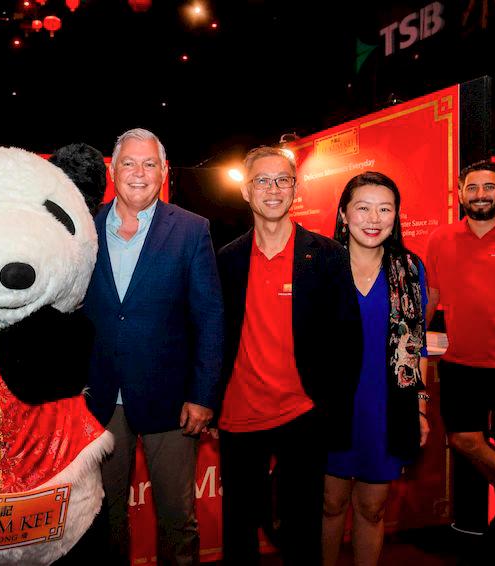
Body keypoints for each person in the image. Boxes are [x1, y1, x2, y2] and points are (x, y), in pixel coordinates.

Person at [82, 128, 224, 565]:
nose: (138, 173)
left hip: (170, 401)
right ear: (113, 170)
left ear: (163, 172)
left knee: (177, 518)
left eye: (149, 164)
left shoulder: (191, 229)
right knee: (103, 518)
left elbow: (210, 318)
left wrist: (202, 396)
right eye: (129, 163)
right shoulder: (82, 226)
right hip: (99, 399)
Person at [216, 146, 363, 566]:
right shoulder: (226, 259)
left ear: (295, 188)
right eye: (262, 180)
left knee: (302, 532)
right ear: (246, 191)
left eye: (282, 179)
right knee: (239, 531)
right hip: (238, 414)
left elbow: (347, 340)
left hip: (304, 414)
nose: (273, 189)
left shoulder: (329, 256)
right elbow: (213, 336)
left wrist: (330, 409)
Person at [425, 160, 495, 560]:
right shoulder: (441, 238)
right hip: (461, 362)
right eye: (472, 188)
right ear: (460, 193)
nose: (480, 195)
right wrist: (411, 340)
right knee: (462, 439)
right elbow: (432, 297)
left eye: (489, 188)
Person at [321, 172, 430, 566]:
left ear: (396, 215)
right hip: (331, 408)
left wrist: (419, 408)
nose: (374, 217)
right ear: (344, 214)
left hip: (388, 408)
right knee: (329, 505)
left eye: (384, 208)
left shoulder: (410, 269)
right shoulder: (321, 266)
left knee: (372, 509)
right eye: (363, 207)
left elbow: (416, 347)